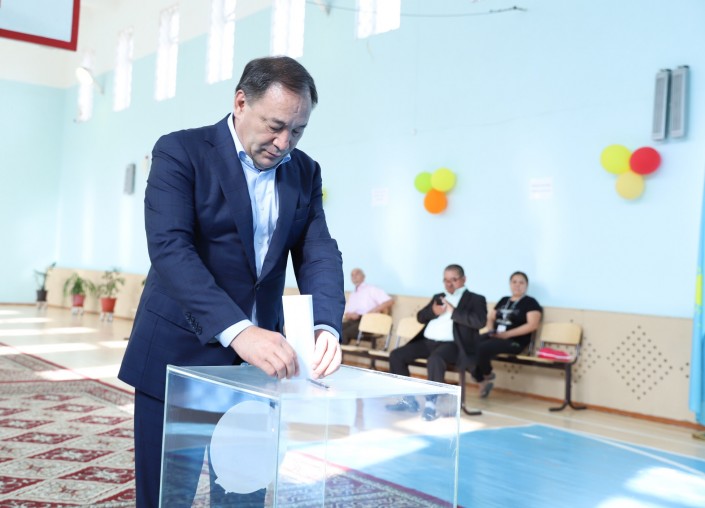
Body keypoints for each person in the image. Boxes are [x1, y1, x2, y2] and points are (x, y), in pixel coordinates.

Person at [117, 56, 345, 507]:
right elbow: (170, 249)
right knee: (167, 497)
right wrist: (239, 331)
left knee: (243, 495)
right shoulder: (181, 152)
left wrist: (326, 326)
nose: (284, 143)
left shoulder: (304, 171)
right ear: (241, 102)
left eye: (297, 131)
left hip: (258, 370)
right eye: (275, 126)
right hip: (178, 356)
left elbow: (318, 251)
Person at [386, 264, 486, 421]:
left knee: (435, 359)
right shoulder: (438, 297)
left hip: (453, 345)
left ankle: (430, 404)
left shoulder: (476, 299)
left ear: (463, 279)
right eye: (446, 280)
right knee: (396, 355)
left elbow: (479, 322)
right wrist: (433, 311)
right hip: (427, 342)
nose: (449, 284)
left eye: (453, 280)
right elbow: (420, 317)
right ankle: (407, 400)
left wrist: (454, 311)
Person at [473, 271, 542, 399]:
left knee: (483, 348)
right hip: (496, 336)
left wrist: (507, 334)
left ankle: (486, 375)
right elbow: (491, 318)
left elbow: (532, 325)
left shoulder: (531, 303)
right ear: (510, 284)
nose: (517, 285)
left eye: (521, 282)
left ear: (526, 285)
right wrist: (491, 330)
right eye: (514, 282)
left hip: (515, 340)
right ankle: (482, 379)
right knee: (471, 343)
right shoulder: (504, 300)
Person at [342, 268, 394, 344]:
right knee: (334, 330)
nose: (354, 276)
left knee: (344, 333)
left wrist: (373, 311)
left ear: (363, 276)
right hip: (353, 321)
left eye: (357, 274)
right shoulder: (353, 294)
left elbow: (390, 301)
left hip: (368, 321)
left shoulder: (371, 289)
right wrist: (350, 315)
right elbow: (347, 313)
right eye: (352, 275)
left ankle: (339, 351)